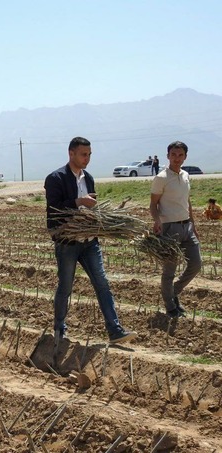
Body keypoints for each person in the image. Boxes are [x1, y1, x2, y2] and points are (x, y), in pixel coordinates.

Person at [45, 137, 137, 345]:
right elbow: (54, 210)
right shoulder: (55, 178)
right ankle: (59, 329)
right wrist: (79, 202)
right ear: (71, 153)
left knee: (102, 284)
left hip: (89, 241)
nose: (87, 158)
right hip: (67, 242)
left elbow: (90, 209)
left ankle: (115, 330)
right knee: (65, 287)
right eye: (83, 154)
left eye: (89, 155)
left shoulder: (89, 178)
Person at [150, 141, 202, 318]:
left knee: (196, 264)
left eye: (180, 155)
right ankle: (170, 306)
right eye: (173, 155)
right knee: (169, 270)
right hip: (169, 228)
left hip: (186, 226)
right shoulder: (161, 177)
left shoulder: (186, 175)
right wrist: (157, 220)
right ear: (168, 156)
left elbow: (187, 201)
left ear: (185, 156)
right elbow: (153, 204)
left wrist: (193, 224)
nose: (177, 158)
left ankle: (172, 293)